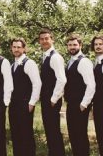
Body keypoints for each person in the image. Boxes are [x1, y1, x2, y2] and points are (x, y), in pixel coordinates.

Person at [9, 38, 41, 156]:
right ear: (11, 48)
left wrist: (32, 103)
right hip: (14, 105)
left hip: (25, 104)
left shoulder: (29, 63)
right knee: (16, 135)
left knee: (26, 135)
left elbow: (37, 83)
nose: (16, 49)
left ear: (24, 48)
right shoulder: (12, 65)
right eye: (14, 47)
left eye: (19, 47)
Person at [64, 34, 95, 156]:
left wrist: (84, 104)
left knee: (80, 135)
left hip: (80, 105)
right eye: (70, 45)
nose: (72, 47)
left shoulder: (84, 61)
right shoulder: (71, 61)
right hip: (72, 104)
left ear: (80, 45)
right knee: (73, 135)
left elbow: (91, 85)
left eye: (75, 45)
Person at [37, 28, 67, 156]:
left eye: (46, 38)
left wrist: (53, 99)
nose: (44, 41)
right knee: (50, 130)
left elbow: (62, 79)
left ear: (52, 39)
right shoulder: (45, 56)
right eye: (42, 39)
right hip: (47, 99)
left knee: (53, 131)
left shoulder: (55, 57)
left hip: (52, 101)